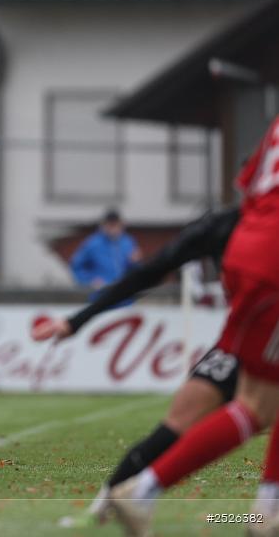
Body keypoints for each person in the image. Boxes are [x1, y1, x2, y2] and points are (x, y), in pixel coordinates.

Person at [110, 116, 279, 536]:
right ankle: (144, 490)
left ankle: (266, 512)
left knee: (261, 401)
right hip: (275, 261)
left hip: (250, 250)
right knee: (256, 405)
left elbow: (249, 186)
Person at [33, 205, 240, 527]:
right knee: (190, 412)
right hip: (247, 338)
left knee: (252, 410)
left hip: (254, 336)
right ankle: (110, 504)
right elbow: (145, 273)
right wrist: (77, 321)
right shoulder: (223, 226)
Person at [70, 209, 141, 301]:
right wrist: (90, 280)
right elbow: (76, 266)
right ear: (104, 225)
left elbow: (133, 270)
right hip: (101, 298)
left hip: (124, 298)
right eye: (110, 225)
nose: (113, 228)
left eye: (116, 225)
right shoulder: (93, 244)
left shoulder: (128, 242)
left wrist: (135, 263)